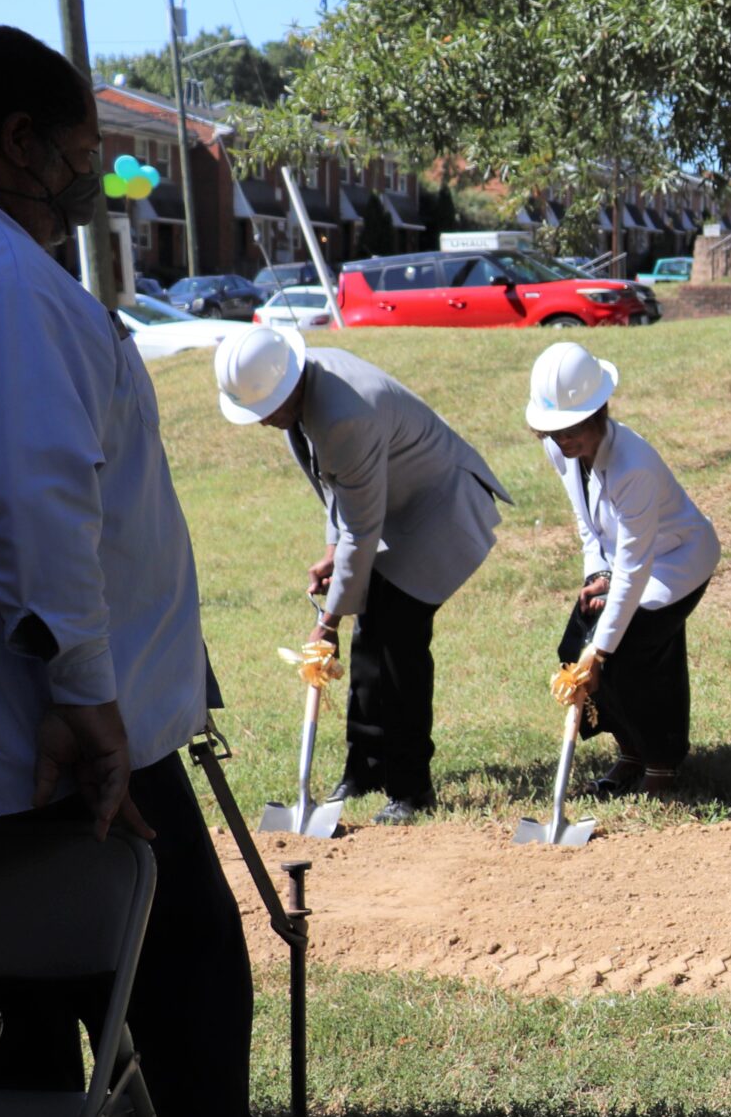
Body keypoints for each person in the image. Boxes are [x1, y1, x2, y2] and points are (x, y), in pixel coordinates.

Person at [0, 23, 384, 1117]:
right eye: (87, 158)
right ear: (17, 145)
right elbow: (40, 507)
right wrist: (89, 698)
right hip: (68, 734)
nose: (97, 185)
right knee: (190, 974)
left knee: (23, 1000)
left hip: (38, 726)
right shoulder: (14, 291)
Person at [213, 328, 511, 823]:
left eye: (263, 409)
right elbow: (339, 491)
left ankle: (411, 787)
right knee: (371, 633)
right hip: (395, 510)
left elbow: (361, 526)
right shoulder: (302, 389)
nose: (261, 421)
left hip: (440, 511)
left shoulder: (343, 414)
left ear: (286, 387)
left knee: (398, 644)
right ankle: (367, 765)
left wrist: (326, 623)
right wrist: (333, 554)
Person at [527, 341, 721, 796]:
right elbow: (587, 523)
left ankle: (661, 762)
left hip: (677, 562)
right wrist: (597, 574)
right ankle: (631, 751)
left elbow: (636, 567)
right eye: (554, 430)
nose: (563, 438)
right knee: (576, 645)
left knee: (627, 655)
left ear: (598, 412)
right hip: (626, 563)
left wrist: (602, 650)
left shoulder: (634, 466)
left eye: (572, 427)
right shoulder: (564, 452)